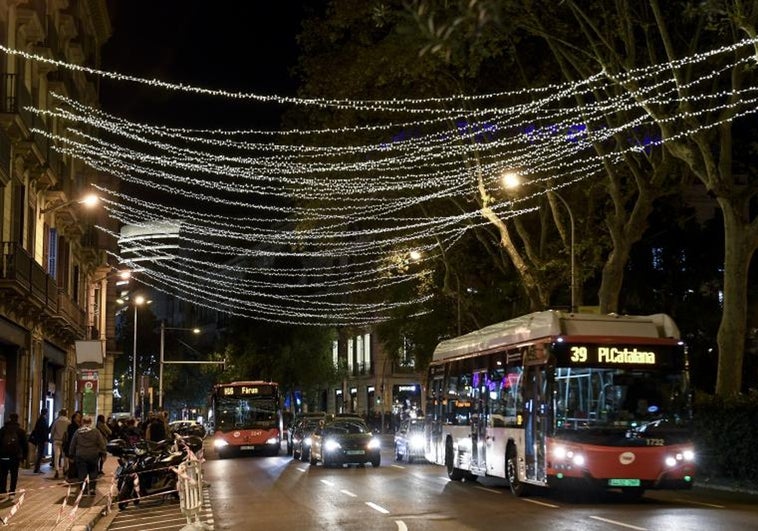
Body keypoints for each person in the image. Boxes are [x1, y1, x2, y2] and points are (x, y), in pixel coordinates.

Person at [69, 416, 106, 496]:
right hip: (93, 455)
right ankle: (92, 489)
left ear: (82, 422)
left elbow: (73, 444)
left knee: (82, 473)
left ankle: (84, 490)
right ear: (90, 422)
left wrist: (71, 455)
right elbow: (101, 443)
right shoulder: (95, 431)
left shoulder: (78, 432)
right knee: (93, 472)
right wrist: (103, 453)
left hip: (81, 455)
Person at [0, 413, 28, 500]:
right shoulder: (21, 431)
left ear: (9, 419)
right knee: (14, 475)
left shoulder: (2, 430)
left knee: (3, 474)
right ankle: (12, 492)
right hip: (15, 457)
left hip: (3, 456)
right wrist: (24, 457)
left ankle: (2, 491)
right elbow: (25, 445)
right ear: (17, 419)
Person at [49, 409, 71, 480]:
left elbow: (52, 431)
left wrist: (51, 438)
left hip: (56, 440)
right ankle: (65, 468)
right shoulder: (68, 422)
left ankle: (57, 470)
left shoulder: (56, 421)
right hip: (64, 441)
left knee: (56, 456)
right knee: (65, 456)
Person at [63, 411, 82, 480]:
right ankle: (71, 475)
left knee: (76, 461)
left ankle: (75, 475)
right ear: (74, 418)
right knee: (72, 461)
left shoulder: (80, 426)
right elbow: (71, 437)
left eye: (79, 416)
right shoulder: (71, 426)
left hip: (78, 446)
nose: (79, 418)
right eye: (77, 416)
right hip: (72, 445)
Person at [30, 408, 49, 473]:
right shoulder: (42, 420)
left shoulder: (40, 419)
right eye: (47, 412)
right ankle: (37, 469)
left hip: (40, 439)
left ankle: (37, 468)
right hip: (41, 439)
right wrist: (46, 439)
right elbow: (43, 431)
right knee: (40, 454)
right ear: (45, 413)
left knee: (40, 454)